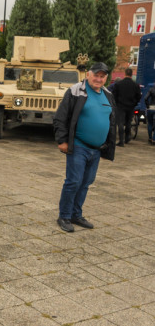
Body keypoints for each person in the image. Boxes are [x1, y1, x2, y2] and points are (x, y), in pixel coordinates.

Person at [53, 62, 116, 233]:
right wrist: (62, 140)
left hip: (96, 149)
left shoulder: (108, 94)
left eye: (102, 76)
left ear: (106, 78)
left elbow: (111, 122)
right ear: (88, 74)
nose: (99, 79)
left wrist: (108, 146)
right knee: (73, 181)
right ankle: (64, 216)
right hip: (78, 146)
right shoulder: (75, 91)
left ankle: (76, 214)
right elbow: (61, 117)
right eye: (96, 75)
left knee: (86, 182)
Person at [113, 68, 141, 146]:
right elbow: (138, 96)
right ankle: (127, 137)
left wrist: (116, 104)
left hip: (120, 106)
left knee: (120, 123)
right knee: (128, 122)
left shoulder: (118, 84)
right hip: (131, 106)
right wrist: (134, 103)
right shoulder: (135, 85)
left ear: (124, 74)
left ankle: (121, 141)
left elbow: (114, 95)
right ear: (132, 74)